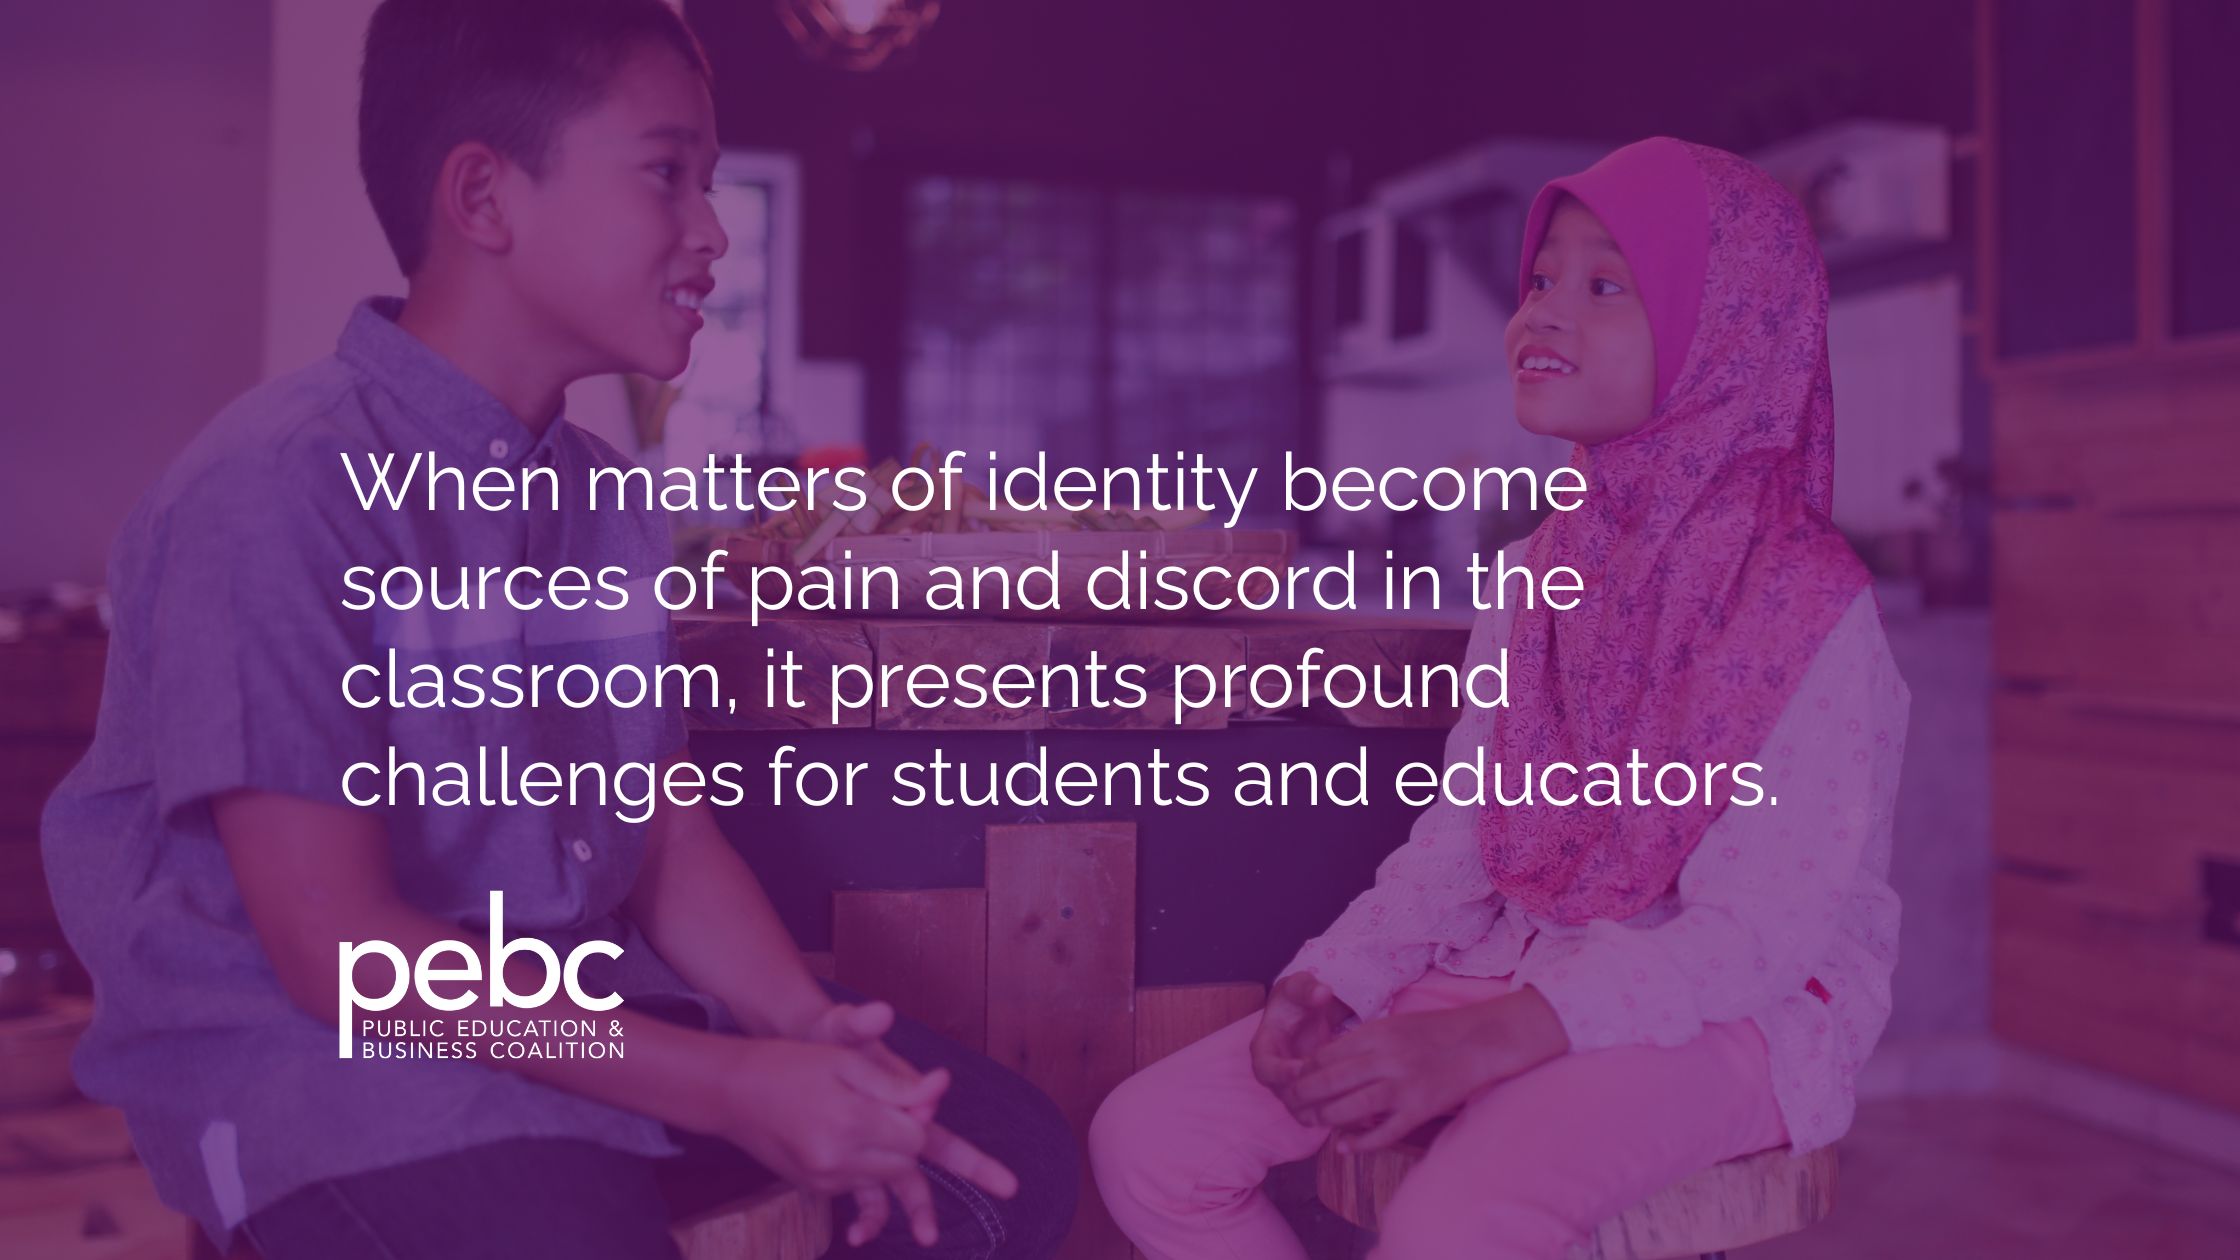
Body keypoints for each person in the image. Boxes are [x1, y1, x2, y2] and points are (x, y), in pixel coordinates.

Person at [39, 3, 1075, 1257]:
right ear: (483, 198)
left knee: (996, 1162)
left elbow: (661, 844)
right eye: (665, 172)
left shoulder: (599, 499)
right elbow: (338, 955)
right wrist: (728, 1086)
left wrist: (801, 1034)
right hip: (328, 1069)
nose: (711, 230)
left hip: (564, 1018)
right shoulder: (275, 488)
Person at [1088, 137, 1908, 1260]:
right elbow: (1464, 837)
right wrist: (1335, 977)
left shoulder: (1806, 608)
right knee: (1152, 1142)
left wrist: (1500, 1040)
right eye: (1540, 281)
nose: (1543, 315)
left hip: (1732, 1018)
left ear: (1726, 333)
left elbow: (1758, 932)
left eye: (1604, 286)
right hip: (1512, 970)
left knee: (1456, 1224)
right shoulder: (1537, 571)